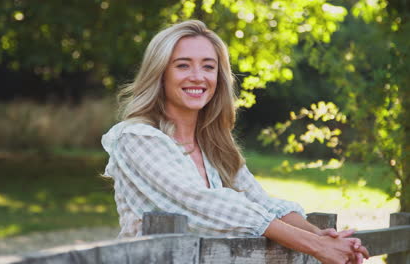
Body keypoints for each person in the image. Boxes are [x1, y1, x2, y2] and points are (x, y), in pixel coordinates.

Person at [101, 20, 369, 264]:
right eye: (183, 65)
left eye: (208, 66)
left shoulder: (213, 145)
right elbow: (206, 205)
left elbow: (261, 202)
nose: (198, 76)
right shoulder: (136, 138)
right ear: (160, 73)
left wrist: (323, 236)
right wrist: (315, 246)